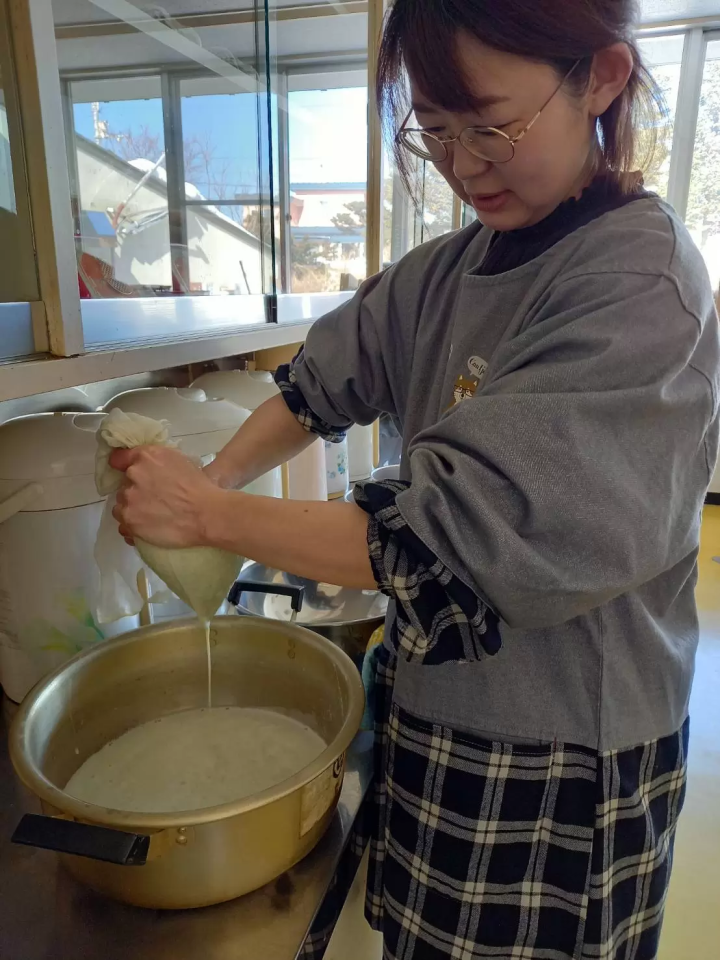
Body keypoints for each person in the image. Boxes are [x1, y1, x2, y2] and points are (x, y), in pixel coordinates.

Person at [111, 1, 720, 957]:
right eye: (433, 130)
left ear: (599, 78)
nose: (462, 164)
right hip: (438, 707)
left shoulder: (640, 291)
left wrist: (208, 514)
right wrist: (214, 469)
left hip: (563, 757)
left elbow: (447, 539)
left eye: (490, 125)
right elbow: (317, 386)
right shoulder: (444, 272)